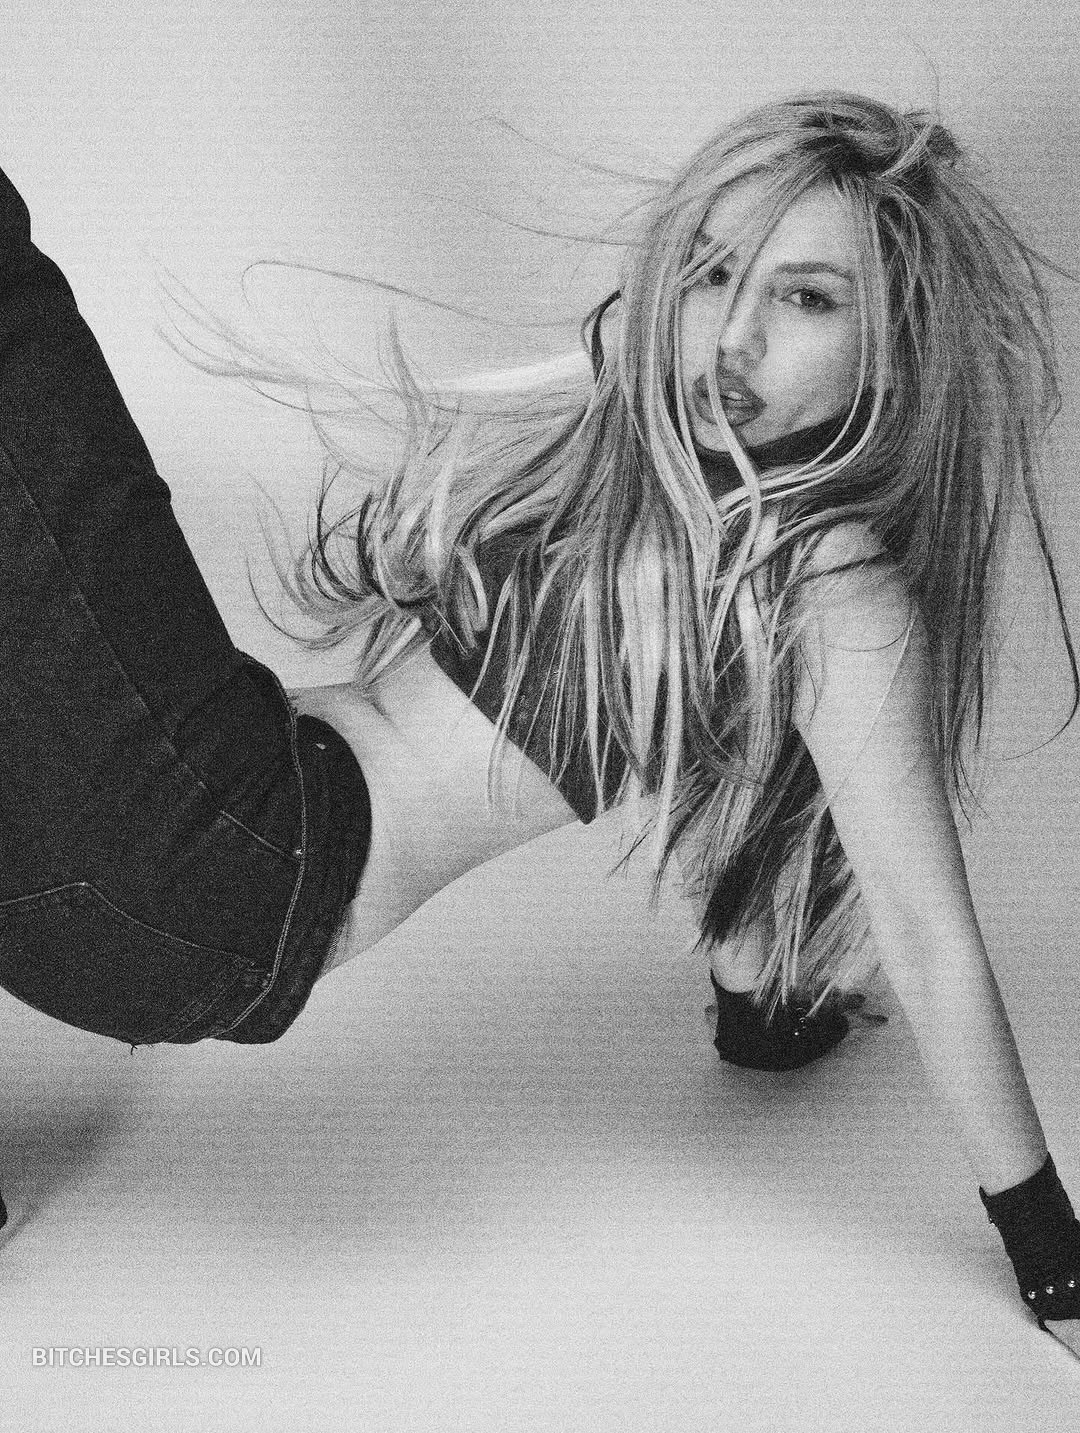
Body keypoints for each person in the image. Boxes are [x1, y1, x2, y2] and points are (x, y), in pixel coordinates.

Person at [0, 92, 1077, 1335]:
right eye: (713, 273)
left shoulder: (832, 585)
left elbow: (927, 932)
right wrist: (761, 1014)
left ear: (893, 347)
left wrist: (1051, 1250)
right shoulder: (677, 496)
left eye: (807, 297)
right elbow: (731, 782)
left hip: (215, 875)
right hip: (121, 888)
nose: (734, 335)